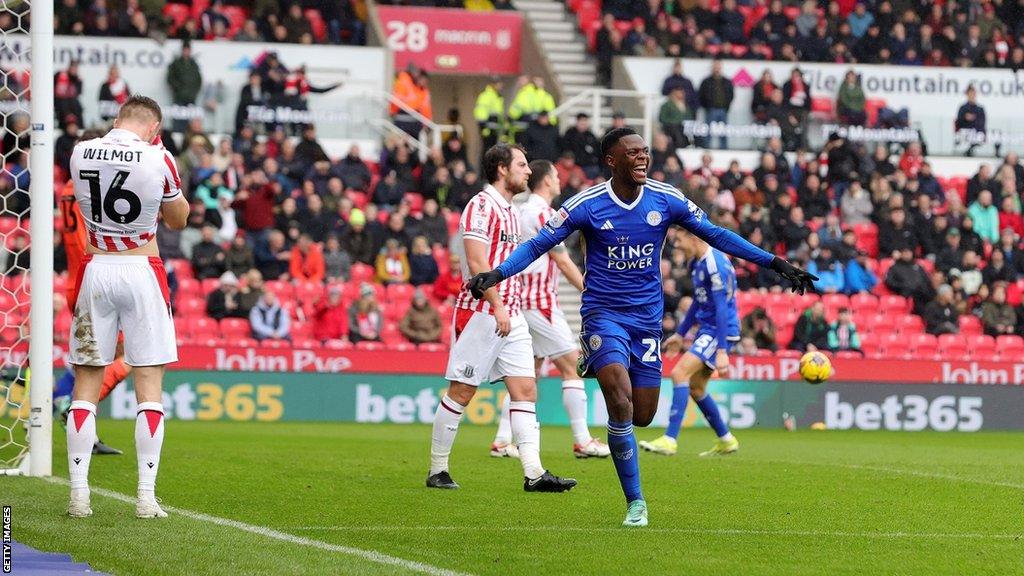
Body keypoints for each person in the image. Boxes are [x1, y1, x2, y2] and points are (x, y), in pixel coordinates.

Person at [466, 129, 814, 526]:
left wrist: (775, 263)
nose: (642, 158)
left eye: (645, 151)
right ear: (612, 160)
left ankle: (600, 365)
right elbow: (537, 246)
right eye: (632, 153)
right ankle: (636, 502)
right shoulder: (587, 204)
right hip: (603, 314)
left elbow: (717, 234)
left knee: (642, 415)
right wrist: (497, 273)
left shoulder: (666, 199)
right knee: (618, 398)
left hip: (647, 320)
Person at [426, 143, 578, 494]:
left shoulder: (510, 210)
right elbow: (478, 263)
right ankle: (437, 469)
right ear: (501, 169)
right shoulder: (482, 205)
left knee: (526, 389)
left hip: (513, 311)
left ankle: (534, 473)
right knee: (462, 391)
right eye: (522, 165)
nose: (528, 171)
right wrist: (495, 304)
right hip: (482, 310)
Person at [66, 95, 190, 519]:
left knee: (86, 384)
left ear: (117, 119)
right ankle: (144, 496)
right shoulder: (160, 158)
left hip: (96, 266)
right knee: (149, 386)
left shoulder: (81, 152)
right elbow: (177, 220)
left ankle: (79, 495)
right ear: (154, 129)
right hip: (141, 268)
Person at [489, 160, 609, 460]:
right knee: (572, 366)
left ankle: (503, 440)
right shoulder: (543, 213)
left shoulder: (519, 211)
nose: (559, 181)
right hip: (538, 302)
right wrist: (592, 292)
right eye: (556, 176)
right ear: (547, 182)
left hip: (521, 299)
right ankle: (582, 440)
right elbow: (563, 261)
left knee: (526, 375)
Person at [641, 232, 741, 458]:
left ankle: (669, 439)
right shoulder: (697, 263)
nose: (677, 246)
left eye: (679, 241)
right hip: (709, 328)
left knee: (679, 373)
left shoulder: (715, 265)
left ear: (694, 238)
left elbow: (723, 308)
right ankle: (726, 439)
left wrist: (723, 350)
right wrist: (680, 334)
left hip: (719, 329)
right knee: (696, 388)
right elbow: (698, 302)